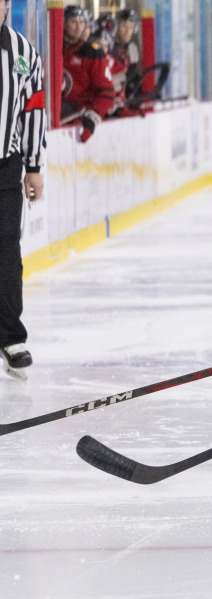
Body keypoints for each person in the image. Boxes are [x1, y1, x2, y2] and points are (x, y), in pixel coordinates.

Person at [0, 0, 46, 380]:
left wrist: (34, 167)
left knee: (6, 250)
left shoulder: (23, 52)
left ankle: (11, 338)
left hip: (5, 165)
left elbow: (33, 109)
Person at [60, 5, 115, 143]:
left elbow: (107, 93)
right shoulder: (53, 48)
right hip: (55, 106)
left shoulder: (93, 52)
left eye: (82, 22)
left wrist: (92, 118)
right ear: (64, 23)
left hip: (78, 111)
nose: (79, 27)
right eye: (73, 22)